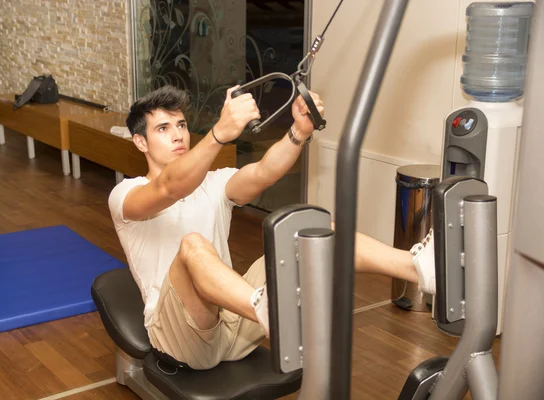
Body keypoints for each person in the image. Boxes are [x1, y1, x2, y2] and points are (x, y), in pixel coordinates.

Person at [108, 85, 435, 370]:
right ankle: (272, 310)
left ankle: (418, 267)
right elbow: (168, 187)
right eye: (163, 129)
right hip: (183, 336)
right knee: (192, 246)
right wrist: (219, 133)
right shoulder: (125, 195)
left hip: (235, 320)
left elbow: (265, 171)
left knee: (312, 232)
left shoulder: (213, 184)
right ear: (140, 142)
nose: (178, 134)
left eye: (180, 124)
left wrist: (299, 132)